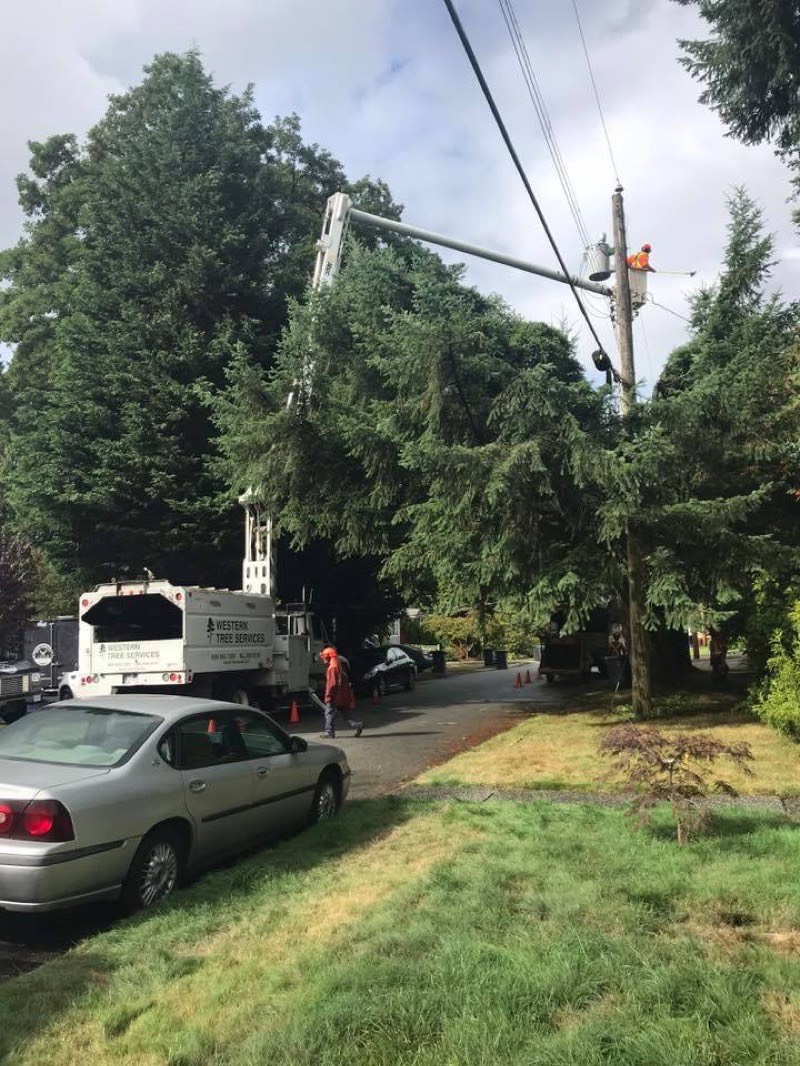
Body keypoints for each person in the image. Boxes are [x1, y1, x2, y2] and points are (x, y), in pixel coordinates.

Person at [320, 646, 363, 739]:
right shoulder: (339, 665)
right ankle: (357, 725)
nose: (323, 659)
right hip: (342, 695)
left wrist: (328, 696)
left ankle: (329, 733)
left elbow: (332, 684)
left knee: (329, 713)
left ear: (328, 656)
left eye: (324, 657)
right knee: (345, 713)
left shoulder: (332, 668)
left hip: (335, 696)